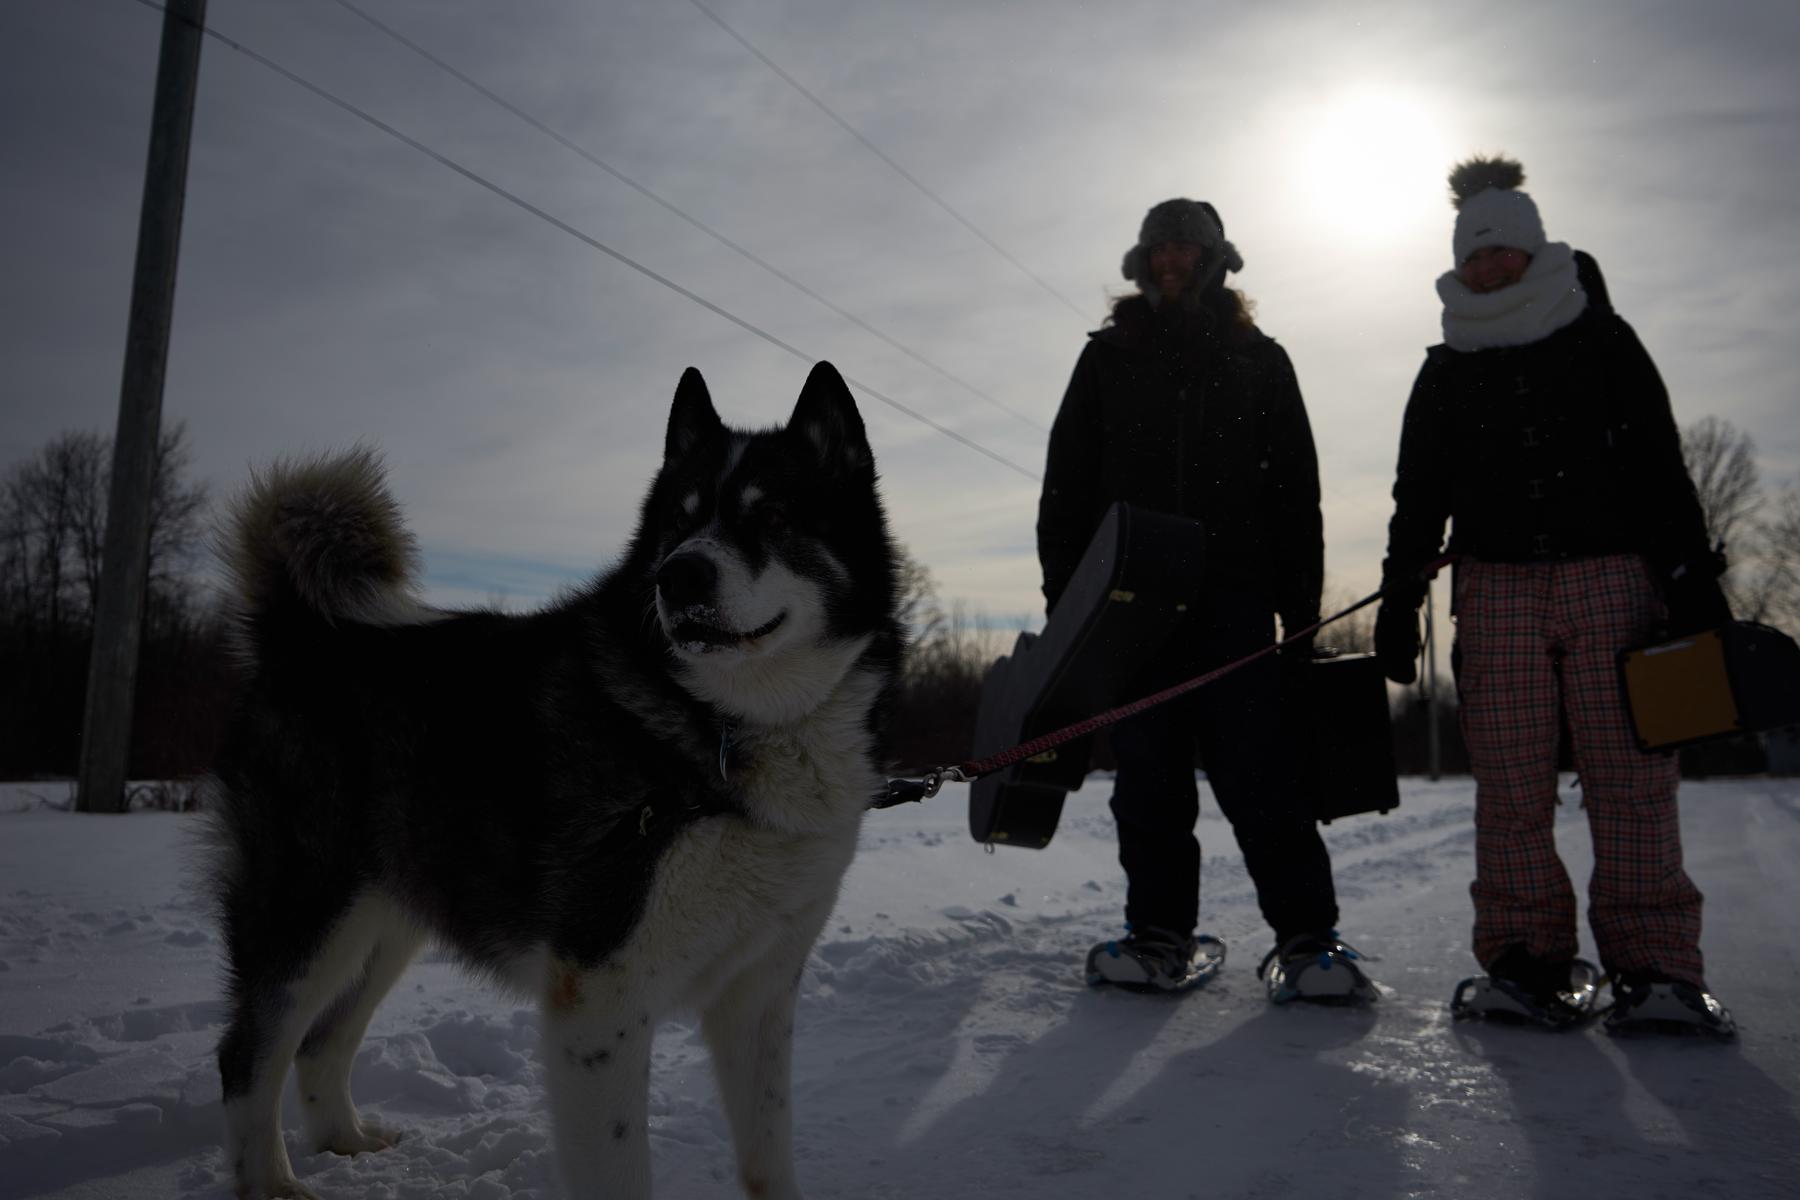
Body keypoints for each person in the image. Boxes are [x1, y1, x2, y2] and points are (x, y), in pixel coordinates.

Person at [1375, 156, 1734, 1033]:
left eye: (1505, 252)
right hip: (1495, 588)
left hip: (1613, 574)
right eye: (1475, 255)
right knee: (1509, 784)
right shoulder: (1446, 367)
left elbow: (1659, 463)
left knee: (1629, 775)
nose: (1490, 267)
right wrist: (1395, 595)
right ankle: (1526, 959)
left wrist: (1691, 579)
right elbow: (1417, 495)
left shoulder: (1601, 339)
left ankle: (1656, 969)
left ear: (1536, 252)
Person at [1038, 198, 1369, 1001]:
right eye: (1158, 249)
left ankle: (1307, 943)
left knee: (1262, 777)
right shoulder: (1107, 359)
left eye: (1186, 248)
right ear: (1142, 263)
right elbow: (1067, 490)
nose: (1171, 261)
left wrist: (1301, 610)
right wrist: (1068, 605)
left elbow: (1298, 494)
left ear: (1217, 260)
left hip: (1236, 605)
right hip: (1132, 610)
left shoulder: (1260, 358)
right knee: (1148, 781)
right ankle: (1158, 937)